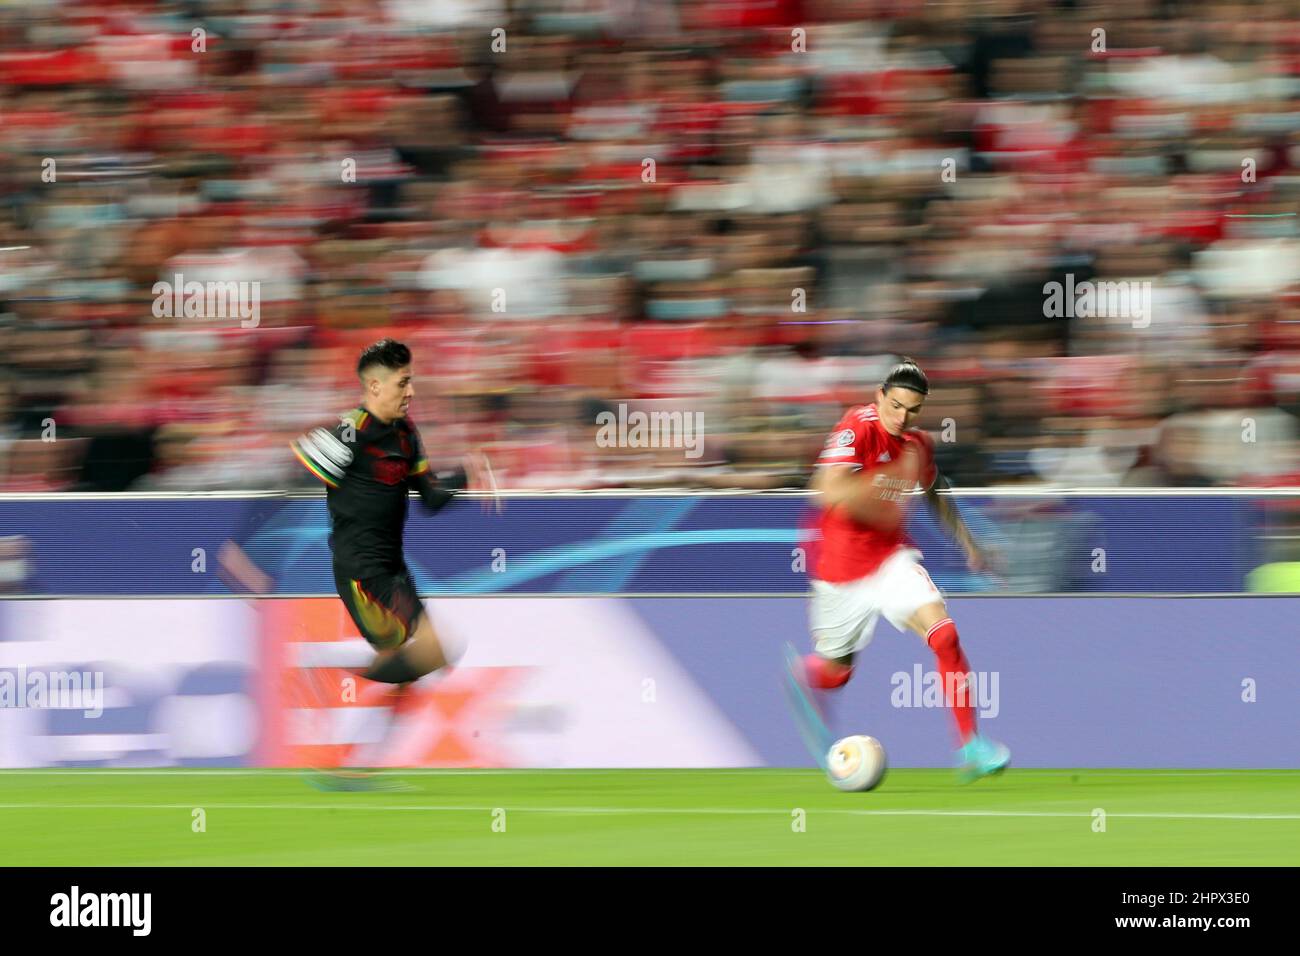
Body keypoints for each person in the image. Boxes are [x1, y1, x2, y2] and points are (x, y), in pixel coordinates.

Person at [786, 357, 1010, 782]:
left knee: (945, 635)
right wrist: (870, 497)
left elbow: (933, 489)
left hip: (890, 559)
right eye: (895, 406)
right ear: (879, 397)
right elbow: (823, 490)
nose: (901, 417)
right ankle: (806, 674)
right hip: (839, 568)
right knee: (835, 673)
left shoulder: (918, 445)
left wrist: (968, 542)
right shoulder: (858, 426)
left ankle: (971, 748)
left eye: (912, 410)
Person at [290, 338, 497, 784]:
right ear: (375, 385)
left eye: (412, 381)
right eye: (403, 382)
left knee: (411, 671)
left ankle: (360, 768)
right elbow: (299, 469)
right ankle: (324, 671)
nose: (411, 391)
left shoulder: (405, 434)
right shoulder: (351, 430)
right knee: (437, 650)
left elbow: (431, 498)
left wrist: (466, 474)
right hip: (361, 569)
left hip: (393, 569)